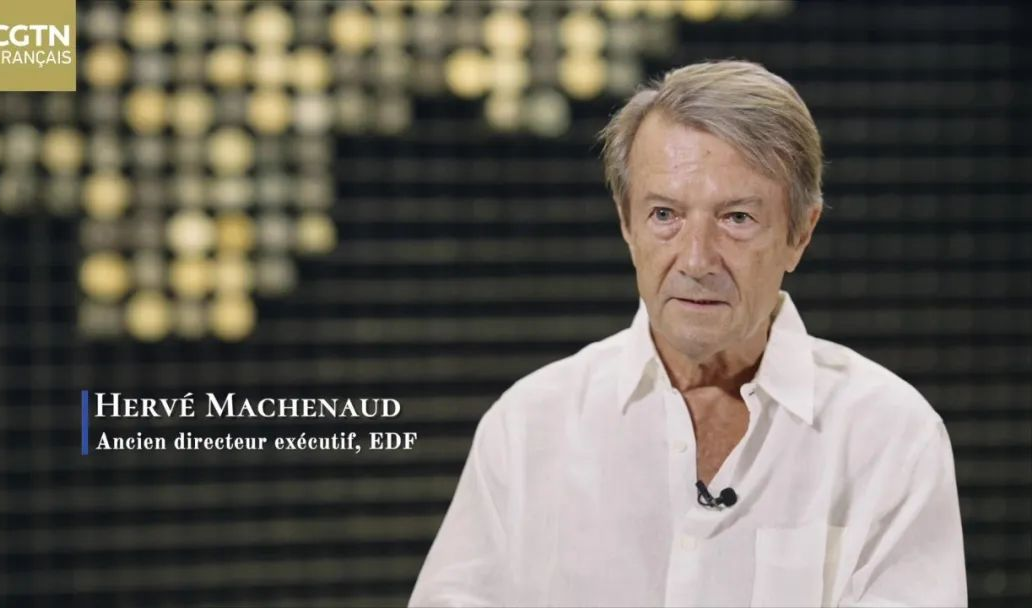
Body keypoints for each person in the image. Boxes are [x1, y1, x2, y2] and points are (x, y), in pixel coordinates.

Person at [408, 60, 967, 607]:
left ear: (800, 233)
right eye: (665, 215)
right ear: (627, 223)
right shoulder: (529, 426)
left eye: (737, 218)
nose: (697, 260)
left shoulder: (889, 437)